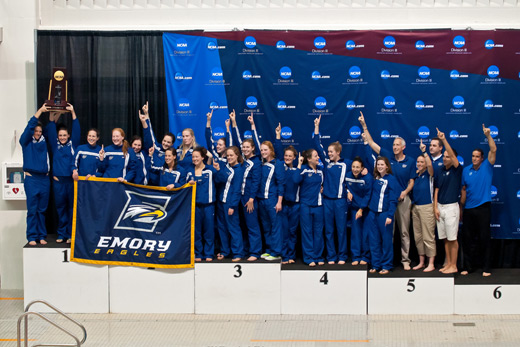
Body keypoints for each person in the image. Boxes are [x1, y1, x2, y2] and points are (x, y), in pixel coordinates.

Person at [359, 111, 415, 270]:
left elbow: (412, 181)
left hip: (402, 199)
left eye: (398, 145)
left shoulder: (410, 161)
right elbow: (370, 143)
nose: (395, 147)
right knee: (386, 234)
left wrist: (405, 192)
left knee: (404, 232)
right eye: (394, 145)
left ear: (403, 147)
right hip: (384, 203)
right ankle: (382, 263)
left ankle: (405, 261)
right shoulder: (387, 156)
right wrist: (364, 125)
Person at [460, 124, 497, 277]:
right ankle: (468, 267)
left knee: (484, 239)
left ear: (482, 158)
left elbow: (493, 150)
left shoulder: (487, 166)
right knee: (468, 240)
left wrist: (488, 136)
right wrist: (461, 209)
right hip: (468, 209)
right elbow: (463, 191)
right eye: (473, 156)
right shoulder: (465, 170)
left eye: (477, 156)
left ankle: (486, 268)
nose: (474, 158)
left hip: (483, 208)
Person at [313, 115, 350, 264]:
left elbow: (357, 171)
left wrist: (364, 172)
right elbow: (317, 145)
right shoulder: (326, 163)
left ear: (338, 152)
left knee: (341, 230)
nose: (328, 154)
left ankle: (342, 256)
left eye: (331, 152)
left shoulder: (347, 163)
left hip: (340, 201)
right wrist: (316, 127)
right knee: (328, 231)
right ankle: (331, 257)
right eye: (328, 152)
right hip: (327, 201)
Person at [229, 110, 262, 261]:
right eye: (244, 147)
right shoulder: (241, 159)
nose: (245, 148)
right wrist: (234, 122)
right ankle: (245, 250)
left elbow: (255, 182)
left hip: (249, 199)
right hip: (239, 197)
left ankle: (255, 252)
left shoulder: (256, 162)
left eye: (248, 147)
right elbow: (236, 140)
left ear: (253, 148)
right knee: (241, 225)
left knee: (252, 225)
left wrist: (251, 198)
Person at [46, 104, 80, 243]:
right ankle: (61, 234)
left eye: (64, 135)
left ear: (69, 135)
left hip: (71, 182)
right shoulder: (55, 145)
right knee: (60, 209)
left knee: (72, 208)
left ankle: (71, 235)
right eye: (60, 135)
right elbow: (50, 130)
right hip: (58, 182)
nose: (62, 137)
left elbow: (77, 129)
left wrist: (72, 111)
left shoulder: (73, 144)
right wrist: (52, 116)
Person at [20, 104, 51, 246]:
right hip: (32, 179)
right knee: (32, 210)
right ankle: (32, 236)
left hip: (44, 179)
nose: (38, 133)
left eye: (40, 131)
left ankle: (41, 235)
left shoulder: (45, 142)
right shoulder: (26, 142)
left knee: (42, 210)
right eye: (35, 131)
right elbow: (29, 126)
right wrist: (40, 111)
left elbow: (51, 128)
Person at [433, 128, 462, 274]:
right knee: (444, 238)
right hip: (440, 207)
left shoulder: (457, 169)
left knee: (452, 238)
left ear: (453, 158)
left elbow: (451, 153)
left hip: (451, 207)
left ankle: (454, 265)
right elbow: (436, 190)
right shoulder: (440, 171)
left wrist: (443, 140)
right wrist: (435, 208)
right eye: (443, 156)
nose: (445, 158)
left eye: (447, 156)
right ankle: (448, 263)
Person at [365, 157, 399, 274]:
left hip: (384, 214)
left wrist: (390, 215)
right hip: (372, 214)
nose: (379, 166)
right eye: (378, 164)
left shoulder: (392, 179)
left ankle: (386, 265)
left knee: (386, 241)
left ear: (387, 166)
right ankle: (376, 265)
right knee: (374, 241)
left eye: (382, 164)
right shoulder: (375, 178)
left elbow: (393, 199)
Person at [214, 146, 245, 261]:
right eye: (228, 156)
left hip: (230, 203)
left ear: (237, 155)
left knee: (233, 228)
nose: (229, 158)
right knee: (222, 228)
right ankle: (224, 251)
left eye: (232, 155)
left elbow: (237, 190)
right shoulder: (225, 167)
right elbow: (217, 180)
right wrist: (218, 171)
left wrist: (233, 205)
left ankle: (238, 253)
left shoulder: (238, 170)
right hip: (221, 202)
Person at [275, 124, 300, 264]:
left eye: (290, 156)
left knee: (292, 232)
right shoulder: (281, 166)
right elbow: (278, 151)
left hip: (295, 205)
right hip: (283, 205)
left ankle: (291, 255)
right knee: (284, 232)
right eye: (286, 155)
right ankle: (284, 256)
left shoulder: (298, 170)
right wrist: (278, 135)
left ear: (295, 157)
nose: (287, 158)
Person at [186, 147, 217, 262]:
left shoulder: (210, 170)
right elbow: (182, 185)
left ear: (203, 158)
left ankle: (209, 253)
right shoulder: (189, 171)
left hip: (209, 206)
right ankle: (198, 253)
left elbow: (222, 179)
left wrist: (217, 168)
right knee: (197, 231)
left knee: (209, 231)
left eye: (197, 156)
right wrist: (188, 183)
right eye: (193, 157)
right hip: (195, 206)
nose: (194, 159)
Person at [294, 150, 324, 266]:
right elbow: (295, 180)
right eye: (315, 156)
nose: (318, 157)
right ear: (309, 159)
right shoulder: (304, 169)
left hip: (319, 205)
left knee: (318, 232)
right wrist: (299, 164)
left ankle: (318, 256)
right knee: (307, 232)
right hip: (305, 205)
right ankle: (309, 257)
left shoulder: (321, 171)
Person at [257, 141, 285, 261]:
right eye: (262, 150)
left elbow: (281, 184)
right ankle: (269, 250)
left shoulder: (277, 164)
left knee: (275, 226)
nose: (263, 152)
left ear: (271, 150)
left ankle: (276, 252)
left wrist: (279, 201)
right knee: (266, 226)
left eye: (265, 150)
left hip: (272, 199)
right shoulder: (261, 164)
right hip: (262, 200)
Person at [411, 140, 436, 272]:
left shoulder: (429, 174)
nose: (420, 164)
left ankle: (431, 263)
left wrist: (424, 152)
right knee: (418, 236)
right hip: (415, 207)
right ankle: (421, 262)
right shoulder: (415, 175)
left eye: (422, 162)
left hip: (427, 207)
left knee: (428, 236)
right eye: (418, 162)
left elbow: (431, 166)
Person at [139, 102, 175, 185]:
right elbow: (149, 133)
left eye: (168, 142)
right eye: (164, 141)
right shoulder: (156, 147)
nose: (165, 143)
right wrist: (146, 115)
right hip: (151, 183)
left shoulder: (173, 154)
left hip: (164, 184)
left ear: (172, 144)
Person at [345, 157, 372, 266]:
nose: (355, 169)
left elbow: (368, 195)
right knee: (355, 234)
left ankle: (365, 256)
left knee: (365, 234)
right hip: (354, 209)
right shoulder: (347, 175)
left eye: (357, 167)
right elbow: (343, 185)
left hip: (365, 210)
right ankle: (356, 256)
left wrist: (361, 209)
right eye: (353, 167)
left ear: (362, 168)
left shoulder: (367, 178)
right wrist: (347, 191)